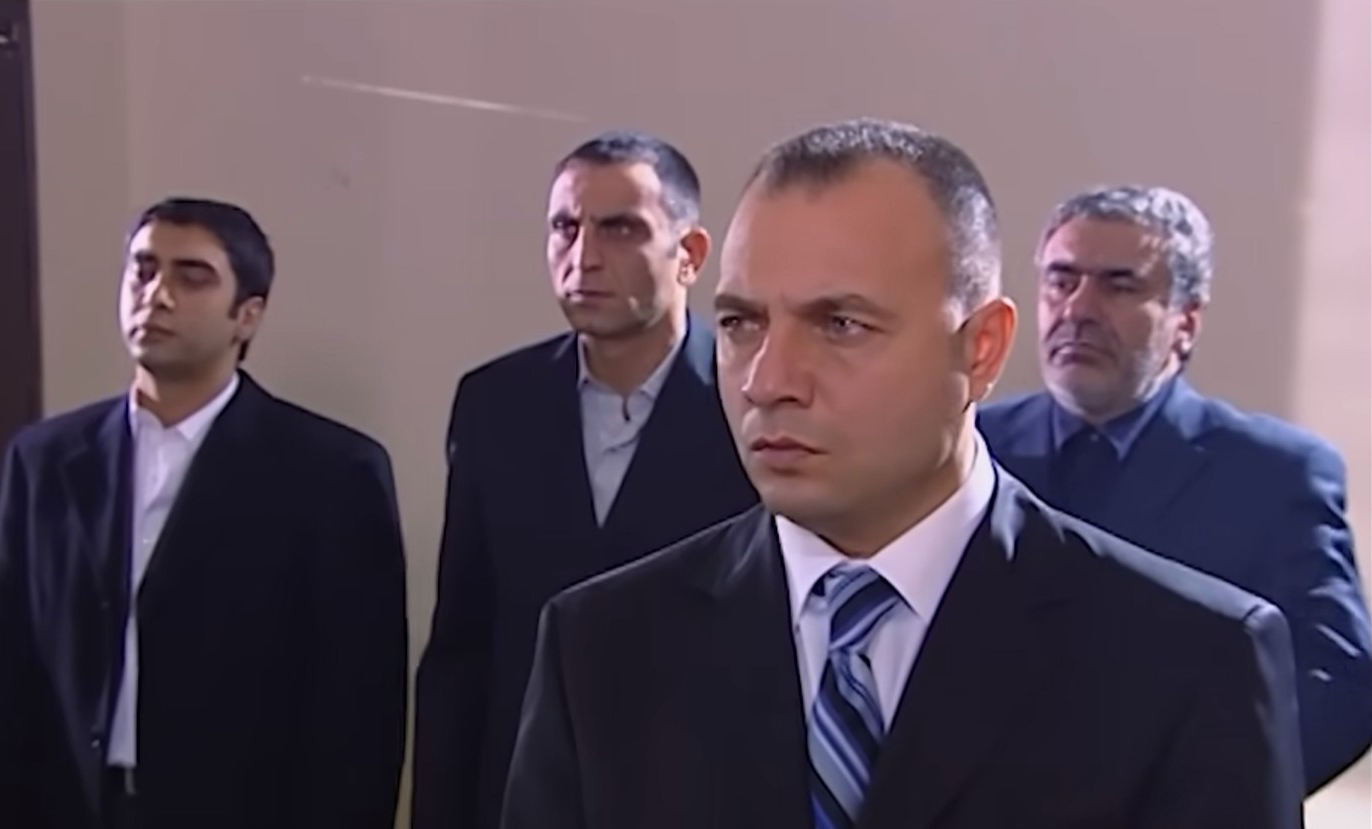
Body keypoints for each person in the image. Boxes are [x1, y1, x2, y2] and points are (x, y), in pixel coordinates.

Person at [500, 119, 1304, 829]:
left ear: (981, 349)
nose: (767, 380)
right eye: (742, 322)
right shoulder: (600, 648)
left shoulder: (1190, 664)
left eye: (840, 323)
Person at [0, 197, 408, 828]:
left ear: (246, 315)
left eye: (191, 276)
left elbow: (358, 710)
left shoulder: (332, 475)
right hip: (72, 807)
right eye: (143, 270)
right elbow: (4, 680)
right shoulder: (45, 462)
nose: (157, 295)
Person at [412, 131, 757, 829]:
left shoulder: (751, 402)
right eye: (565, 228)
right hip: (525, 793)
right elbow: (462, 648)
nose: (584, 257)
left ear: (690, 254)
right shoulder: (495, 403)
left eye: (620, 229)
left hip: (701, 794)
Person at [978, 184, 1372, 792]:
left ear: (1185, 321)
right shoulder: (968, 449)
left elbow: (1337, 682)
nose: (1078, 309)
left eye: (1119, 285)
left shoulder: (1273, 476)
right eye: (1061, 280)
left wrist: (1210, 802)